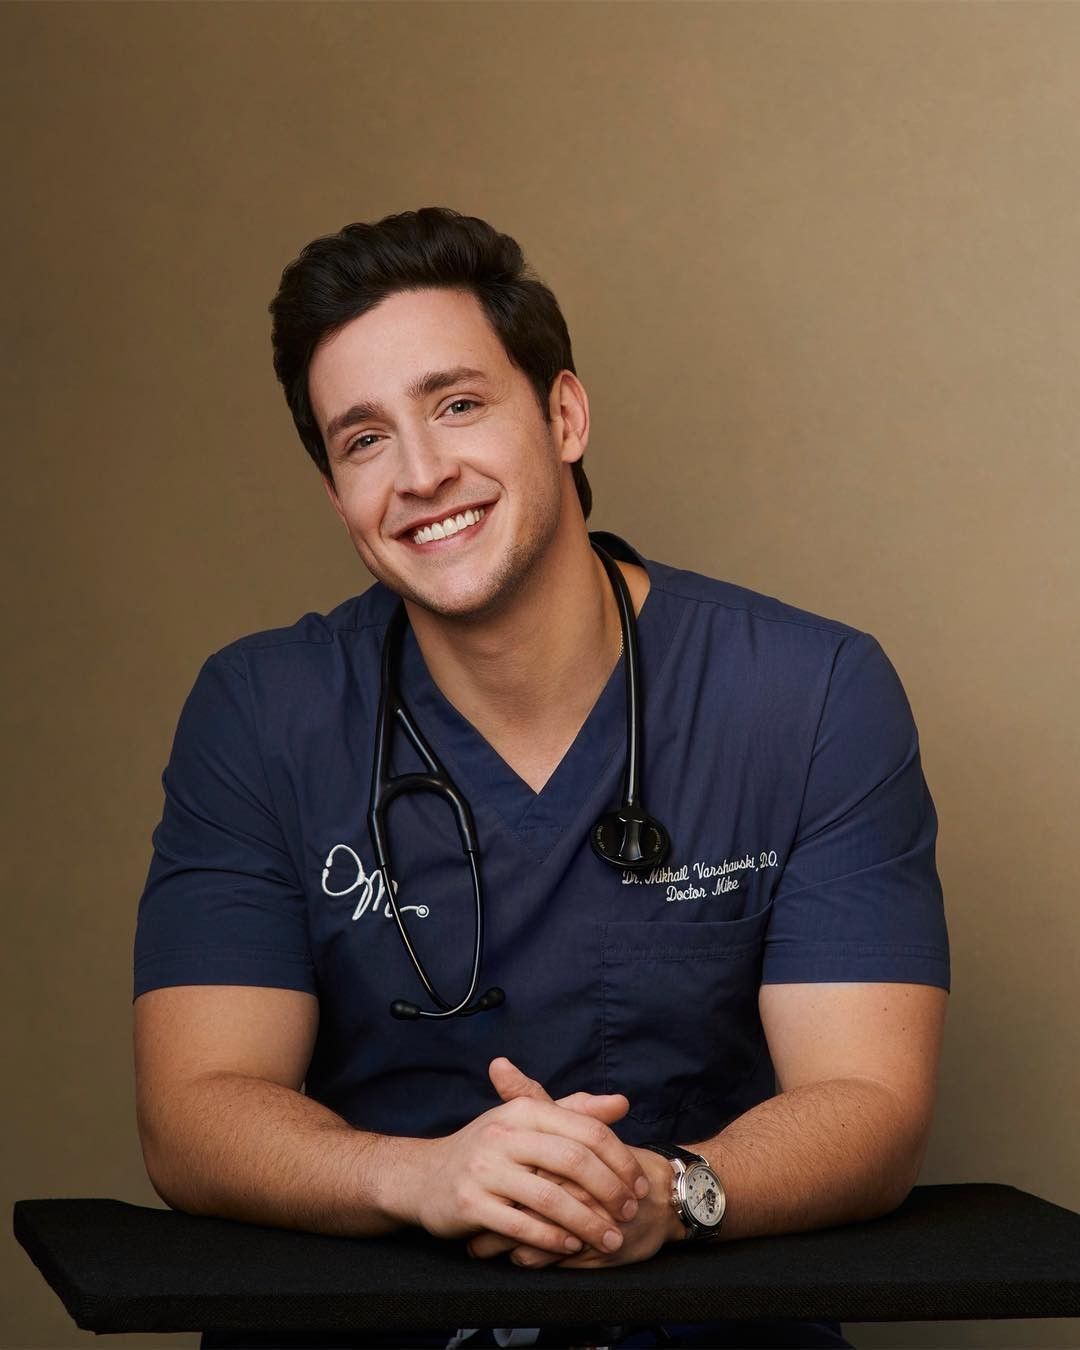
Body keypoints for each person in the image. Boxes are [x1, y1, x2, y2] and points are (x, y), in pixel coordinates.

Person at [133, 208, 949, 1350]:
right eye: (363, 440)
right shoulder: (263, 713)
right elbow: (192, 1112)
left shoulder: (808, 696)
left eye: (457, 405)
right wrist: (418, 1177)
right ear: (335, 493)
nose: (421, 474)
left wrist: (669, 1192)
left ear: (564, 415)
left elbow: (870, 1104)